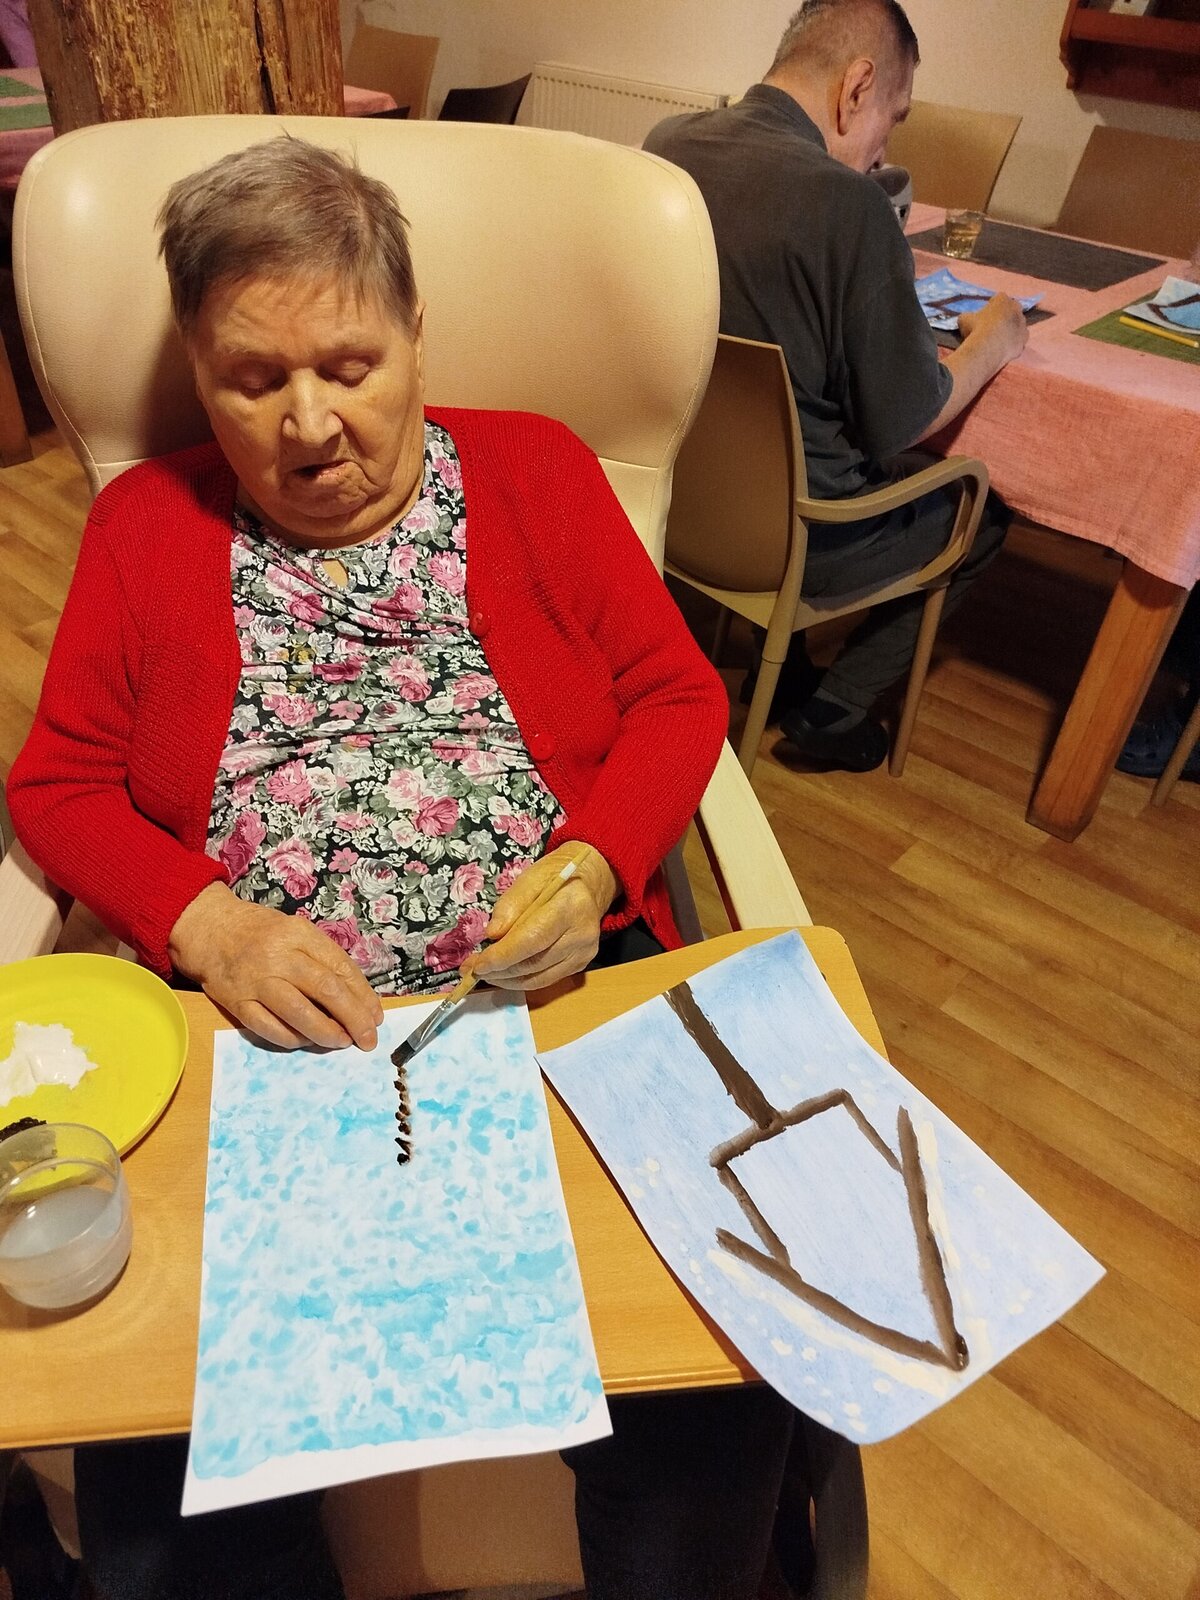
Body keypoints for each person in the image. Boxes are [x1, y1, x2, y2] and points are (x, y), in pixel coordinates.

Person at [7, 138, 796, 1600]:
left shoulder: (541, 470)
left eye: (349, 365)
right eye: (253, 380)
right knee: (165, 1481)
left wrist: (591, 864)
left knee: (721, 1389)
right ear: (199, 372)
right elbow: (57, 784)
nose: (309, 425)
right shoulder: (144, 525)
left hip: (553, 1024)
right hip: (257, 1054)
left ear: (416, 333)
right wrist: (205, 924)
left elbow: (677, 695)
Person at [645, 0, 1029, 772]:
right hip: (803, 538)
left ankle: (785, 669)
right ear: (856, 88)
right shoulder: (850, 207)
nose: (886, 145)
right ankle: (836, 709)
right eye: (894, 116)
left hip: (671, 497)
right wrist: (994, 341)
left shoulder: (666, 146)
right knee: (984, 508)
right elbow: (905, 418)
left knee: (802, 416)